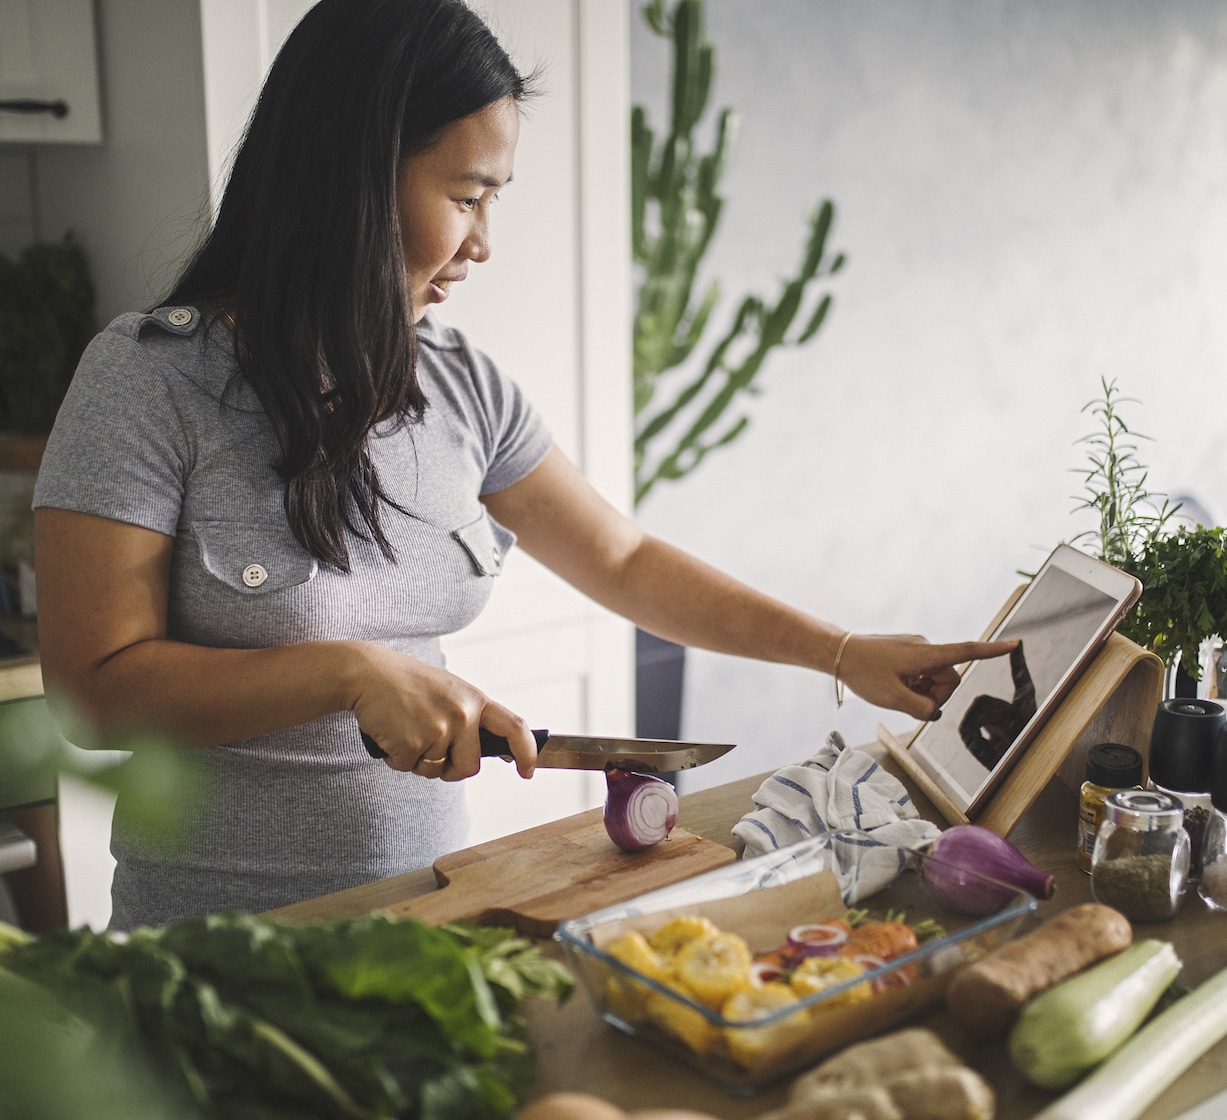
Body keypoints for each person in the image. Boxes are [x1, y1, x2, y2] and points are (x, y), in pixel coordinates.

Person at [31, 0, 1014, 931]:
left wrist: (841, 653)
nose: (484, 243)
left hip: (426, 922)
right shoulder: (148, 379)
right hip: (212, 957)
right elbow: (93, 690)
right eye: (466, 196)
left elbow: (623, 562)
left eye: (494, 199)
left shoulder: (464, 387)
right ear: (351, 179)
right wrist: (343, 670)